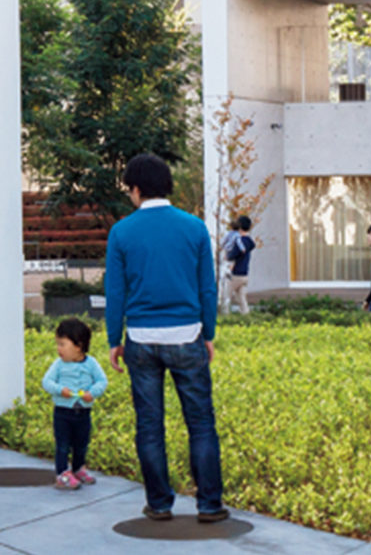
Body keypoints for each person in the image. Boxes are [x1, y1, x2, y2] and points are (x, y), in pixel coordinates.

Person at [104, 153, 227, 524]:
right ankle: (209, 505)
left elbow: (115, 292)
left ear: (136, 189)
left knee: (149, 425)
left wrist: (114, 339)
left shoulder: (121, 232)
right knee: (200, 423)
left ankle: (159, 504)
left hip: (141, 339)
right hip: (187, 335)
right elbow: (207, 288)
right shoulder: (194, 227)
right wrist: (208, 333)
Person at [42, 316, 108, 490]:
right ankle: (62, 474)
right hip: (62, 413)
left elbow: (102, 381)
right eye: (58, 344)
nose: (59, 349)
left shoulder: (91, 364)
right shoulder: (59, 365)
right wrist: (59, 390)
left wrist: (92, 393)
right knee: (63, 445)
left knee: (81, 444)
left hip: (83, 413)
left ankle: (78, 468)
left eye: (62, 344)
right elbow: (46, 382)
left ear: (78, 346)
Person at [219, 216, 257, 316]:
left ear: (239, 227)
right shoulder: (249, 241)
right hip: (244, 274)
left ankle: (225, 317)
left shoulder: (239, 241)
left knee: (225, 296)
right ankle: (246, 317)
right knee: (241, 298)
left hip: (235, 274)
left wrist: (227, 256)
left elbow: (233, 255)